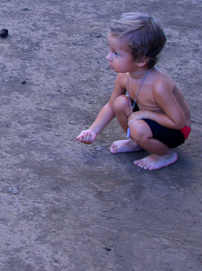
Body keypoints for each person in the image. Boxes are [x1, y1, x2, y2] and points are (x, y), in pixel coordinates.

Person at [76, 12, 191, 170]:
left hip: (176, 130)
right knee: (120, 102)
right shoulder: (125, 77)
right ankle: (137, 142)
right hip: (150, 121)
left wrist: (144, 115)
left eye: (116, 54)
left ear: (141, 60)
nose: (108, 57)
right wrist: (92, 131)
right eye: (110, 51)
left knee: (138, 127)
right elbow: (110, 107)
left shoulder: (159, 85)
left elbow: (178, 122)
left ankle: (165, 155)